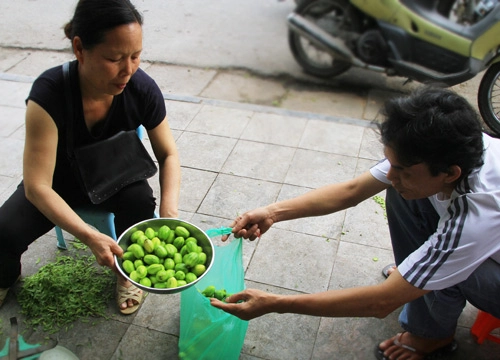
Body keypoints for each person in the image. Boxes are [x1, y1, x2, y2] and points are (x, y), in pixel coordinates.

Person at [211, 87, 500, 359]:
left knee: (449, 263)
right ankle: (418, 275)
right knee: (402, 195)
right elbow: (351, 192)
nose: (392, 175)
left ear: (450, 173)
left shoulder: (475, 213)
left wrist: (276, 303)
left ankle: (433, 335)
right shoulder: (453, 145)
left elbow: (380, 303)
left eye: (402, 170)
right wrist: (273, 212)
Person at [0, 0, 181, 315]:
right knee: (3, 232)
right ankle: (4, 278)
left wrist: (169, 210)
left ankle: (129, 274)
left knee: (141, 200)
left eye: (136, 56)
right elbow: (36, 187)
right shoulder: (50, 93)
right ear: (80, 48)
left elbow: (168, 154)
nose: (128, 70)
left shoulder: (141, 89)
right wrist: (87, 235)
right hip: (57, 184)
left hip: (113, 176)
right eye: (114, 59)